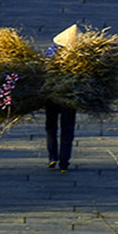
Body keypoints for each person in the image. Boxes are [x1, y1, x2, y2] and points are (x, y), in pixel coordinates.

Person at [43, 24, 81, 170]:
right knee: (67, 129)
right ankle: (64, 162)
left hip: (52, 94)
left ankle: (53, 156)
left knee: (51, 127)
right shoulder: (81, 56)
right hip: (70, 96)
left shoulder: (51, 52)